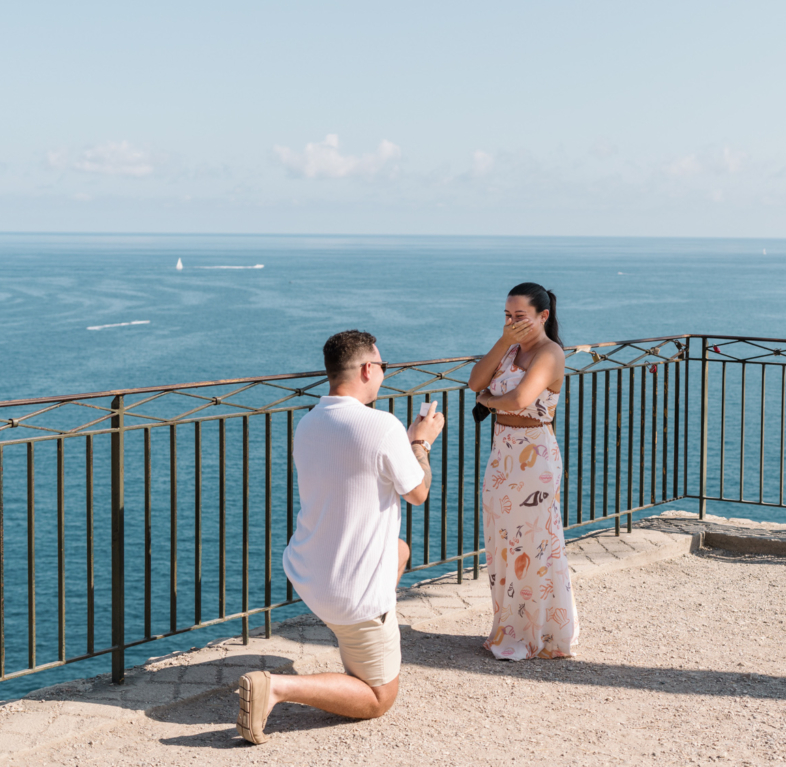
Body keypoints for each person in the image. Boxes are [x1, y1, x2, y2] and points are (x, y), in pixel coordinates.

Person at [236, 329, 444, 744]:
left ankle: (363, 639)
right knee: (378, 698)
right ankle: (276, 687)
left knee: (398, 550)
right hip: (351, 594)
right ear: (367, 369)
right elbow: (419, 492)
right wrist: (420, 441)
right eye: (383, 366)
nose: (384, 374)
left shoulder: (310, 423)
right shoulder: (382, 426)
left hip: (308, 571)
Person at [468, 282, 578, 660]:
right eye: (507, 316)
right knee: (503, 541)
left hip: (535, 456)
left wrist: (486, 401)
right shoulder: (510, 350)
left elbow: (519, 399)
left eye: (520, 317)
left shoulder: (550, 353)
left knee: (534, 543)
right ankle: (506, 626)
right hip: (503, 455)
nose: (512, 322)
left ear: (543, 316)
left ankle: (537, 632)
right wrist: (502, 342)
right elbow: (474, 380)